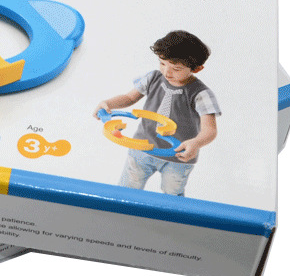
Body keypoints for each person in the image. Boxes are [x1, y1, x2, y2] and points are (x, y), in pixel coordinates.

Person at [93, 30, 220, 195]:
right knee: (128, 188)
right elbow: (129, 98)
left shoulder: (201, 94)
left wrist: (196, 143)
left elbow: (210, 130)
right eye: (162, 63)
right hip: (141, 147)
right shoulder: (153, 77)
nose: (167, 72)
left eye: (176, 68)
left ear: (197, 69)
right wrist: (108, 103)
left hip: (178, 157)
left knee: (172, 194)